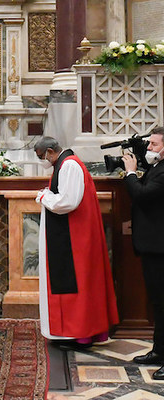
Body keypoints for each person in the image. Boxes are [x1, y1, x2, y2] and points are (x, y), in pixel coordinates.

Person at [34, 136, 119, 347]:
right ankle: (75, 332)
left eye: (41, 156)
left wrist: (44, 197)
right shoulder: (64, 163)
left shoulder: (69, 166)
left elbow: (67, 202)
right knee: (76, 284)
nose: (41, 161)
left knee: (77, 283)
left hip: (75, 237)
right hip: (71, 234)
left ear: (51, 151)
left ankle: (80, 335)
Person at [122, 127, 164, 380]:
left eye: (154, 145)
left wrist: (129, 173)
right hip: (153, 247)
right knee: (158, 303)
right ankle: (159, 351)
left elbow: (142, 194)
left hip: (161, 248)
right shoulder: (157, 168)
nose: (149, 149)